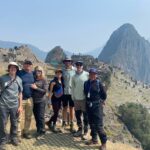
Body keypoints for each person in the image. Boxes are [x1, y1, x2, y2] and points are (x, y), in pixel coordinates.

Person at [0, 62, 23, 150]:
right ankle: (2, 141)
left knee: (14, 123)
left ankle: (13, 137)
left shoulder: (19, 79)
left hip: (14, 105)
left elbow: (20, 93)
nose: (13, 69)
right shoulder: (2, 78)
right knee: (2, 123)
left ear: (17, 70)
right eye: (11, 67)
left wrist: (20, 106)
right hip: (3, 105)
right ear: (9, 68)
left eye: (15, 68)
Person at [84, 68, 107, 150]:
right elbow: (85, 93)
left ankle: (103, 143)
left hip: (97, 106)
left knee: (98, 125)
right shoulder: (86, 83)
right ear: (89, 74)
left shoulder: (99, 84)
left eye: (94, 74)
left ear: (96, 75)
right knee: (91, 123)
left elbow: (104, 95)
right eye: (91, 74)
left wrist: (101, 101)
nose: (92, 75)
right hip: (88, 105)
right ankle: (94, 139)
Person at [17, 60, 34, 139]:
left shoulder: (32, 74)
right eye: (26, 64)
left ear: (31, 66)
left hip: (29, 99)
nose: (27, 65)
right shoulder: (19, 73)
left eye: (29, 64)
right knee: (18, 117)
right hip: (20, 99)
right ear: (23, 65)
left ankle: (26, 132)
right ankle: (18, 134)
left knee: (28, 117)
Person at [72, 61, 89, 139]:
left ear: (82, 66)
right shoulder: (74, 76)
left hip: (84, 99)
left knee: (85, 117)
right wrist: (73, 97)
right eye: (77, 65)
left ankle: (85, 132)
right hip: (76, 99)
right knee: (78, 116)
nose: (78, 66)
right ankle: (79, 130)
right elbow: (73, 87)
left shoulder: (87, 75)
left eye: (80, 65)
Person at [31, 66, 47, 139]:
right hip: (34, 101)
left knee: (41, 117)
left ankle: (42, 132)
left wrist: (36, 88)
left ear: (42, 72)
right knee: (36, 116)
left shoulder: (44, 80)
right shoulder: (33, 78)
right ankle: (38, 130)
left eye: (40, 71)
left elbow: (44, 91)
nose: (38, 72)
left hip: (41, 101)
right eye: (37, 71)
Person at [46, 69, 64, 133]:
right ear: (56, 74)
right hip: (54, 99)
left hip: (60, 99)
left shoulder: (62, 81)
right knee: (56, 112)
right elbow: (50, 92)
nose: (59, 74)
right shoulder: (53, 82)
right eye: (57, 73)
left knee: (57, 112)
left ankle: (49, 122)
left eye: (60, 73)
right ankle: (54, 125)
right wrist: (49, 101)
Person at [62, 56, 76, 132]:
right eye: (66, 61)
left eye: (69, 61)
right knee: (64, 107)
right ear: (64, 62)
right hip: (64, 92)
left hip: (72, 92)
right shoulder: (63, 71)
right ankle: (64, 123)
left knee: (71, 108)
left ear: (71, 62)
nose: (67, 62)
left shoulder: (75, 70)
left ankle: (71, 124)